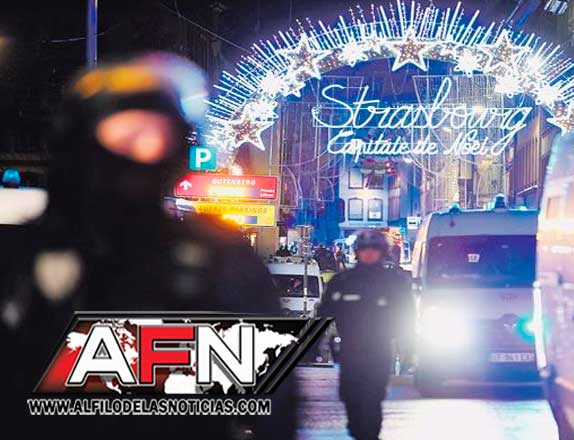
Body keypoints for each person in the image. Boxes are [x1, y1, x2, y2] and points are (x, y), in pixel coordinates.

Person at [0, 53, 295, 440]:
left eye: (155, 137)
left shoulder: (218, 257)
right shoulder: (24, 257)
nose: (140, 153)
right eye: (124, 136)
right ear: (82, 142)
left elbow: (273, 402)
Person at [319, 229, 414, 440]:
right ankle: (357, 429)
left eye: (374, 249)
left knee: (373, 395)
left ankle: (370, 434)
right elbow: (325, 313)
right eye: (364, 249)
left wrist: (407, 344)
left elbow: (407, 315)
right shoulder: (343, 281)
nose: (369, 253)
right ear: (357, 252)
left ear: (383, 252)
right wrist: (322, 340)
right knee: (350, 395)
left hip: (379, 348)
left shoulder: (395, 282)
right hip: (350, 349)